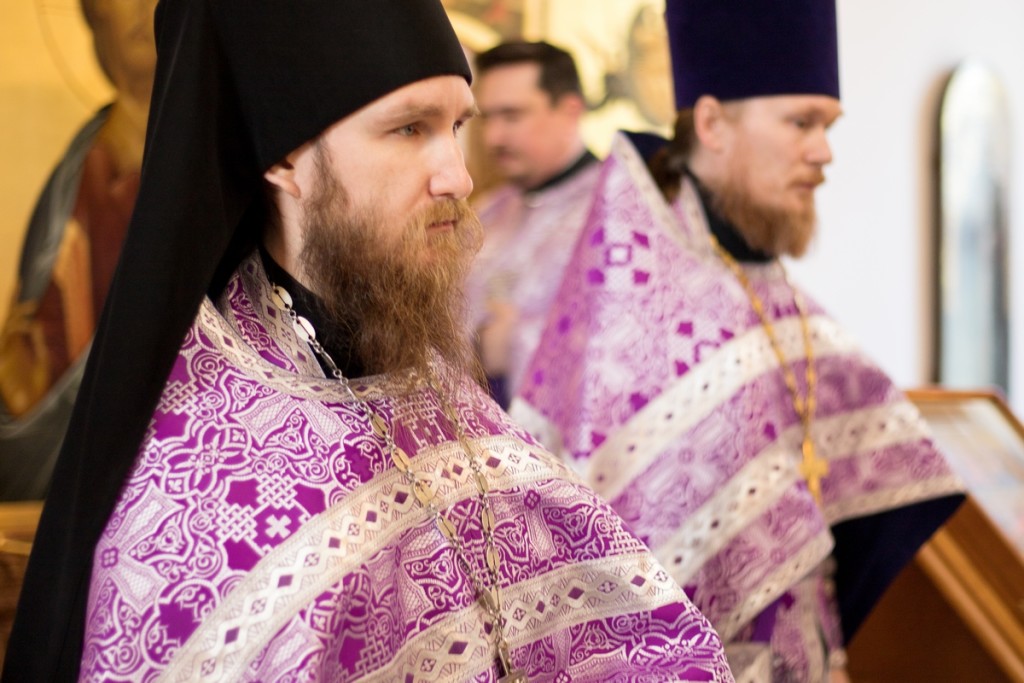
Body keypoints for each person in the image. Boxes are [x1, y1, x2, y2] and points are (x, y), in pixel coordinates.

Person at [3, 1, 735, 680]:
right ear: (283, 157)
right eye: (409, 129)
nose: (458, 176)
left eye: (457, 126)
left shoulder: (431, 382)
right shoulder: (195, 492)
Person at [511, 0, 964, 680]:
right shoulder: (636, 298)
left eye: (828, 126)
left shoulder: (757, 274)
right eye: (802, 122)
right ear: (713, 123)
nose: (824, 151)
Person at [0, 0, 156, 500]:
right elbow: (36, 340)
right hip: (72, 465)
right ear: (94, 13)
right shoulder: (74, 175)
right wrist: (26, 385)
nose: (142, 6)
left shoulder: (215, 163)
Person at [470, 41, 601, 408]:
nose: (493, 137)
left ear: (570, 110)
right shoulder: (486, 213)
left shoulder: (616, 216)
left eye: (512, 116)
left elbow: (624, 346)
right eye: (487, 118)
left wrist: (513, 345)